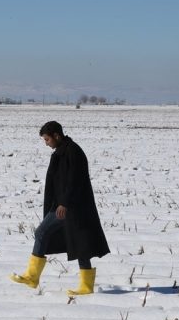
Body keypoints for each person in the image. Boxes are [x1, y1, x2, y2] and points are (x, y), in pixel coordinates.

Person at [10, 121, 110, 295]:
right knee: (80, 244)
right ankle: (85, 286)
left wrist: (64, 203)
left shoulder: (73, 152)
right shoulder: (61, 152)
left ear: (56, 135)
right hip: (63, 205)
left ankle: (33, 277)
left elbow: (75, 180)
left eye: (47, 139)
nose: (46, 143)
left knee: (43, 233)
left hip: (72, 207)